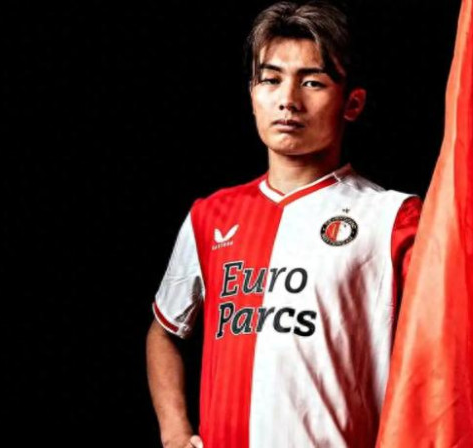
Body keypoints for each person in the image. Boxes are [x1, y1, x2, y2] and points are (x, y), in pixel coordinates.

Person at [146, 2, 422, 447]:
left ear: (352, 103)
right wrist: (176, 432)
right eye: (271, 80)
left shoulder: (393, 218)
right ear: (252, 94)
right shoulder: (211, 216)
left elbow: (448, 350)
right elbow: (164, 331)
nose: (288, 100)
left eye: (312, 82)